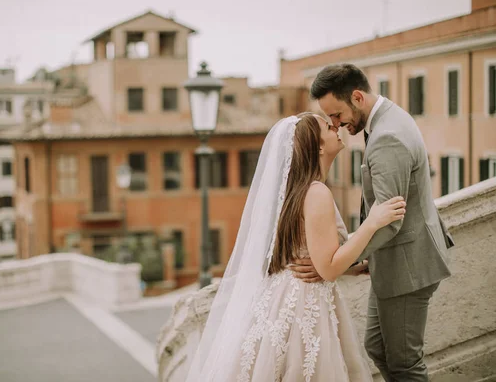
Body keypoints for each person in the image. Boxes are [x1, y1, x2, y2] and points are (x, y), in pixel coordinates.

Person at [186, 113, 406, 381]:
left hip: (283, 300)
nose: (336, 127)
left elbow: (303, 257)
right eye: (328, 126)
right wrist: (372, 223)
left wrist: (352, 268)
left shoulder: (294, 193)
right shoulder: (316, 193)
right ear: (318, 146)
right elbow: (328, 268)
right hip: (304, 306)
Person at [293, 64, 454, 381]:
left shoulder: (386, 138)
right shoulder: (389, 116)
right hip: (396, 261)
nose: (337, 125)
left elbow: (390, 220)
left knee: (406, 364)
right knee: (378, 348)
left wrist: (339, 259)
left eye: (337, 115)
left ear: (356, 96)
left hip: (407, 266)